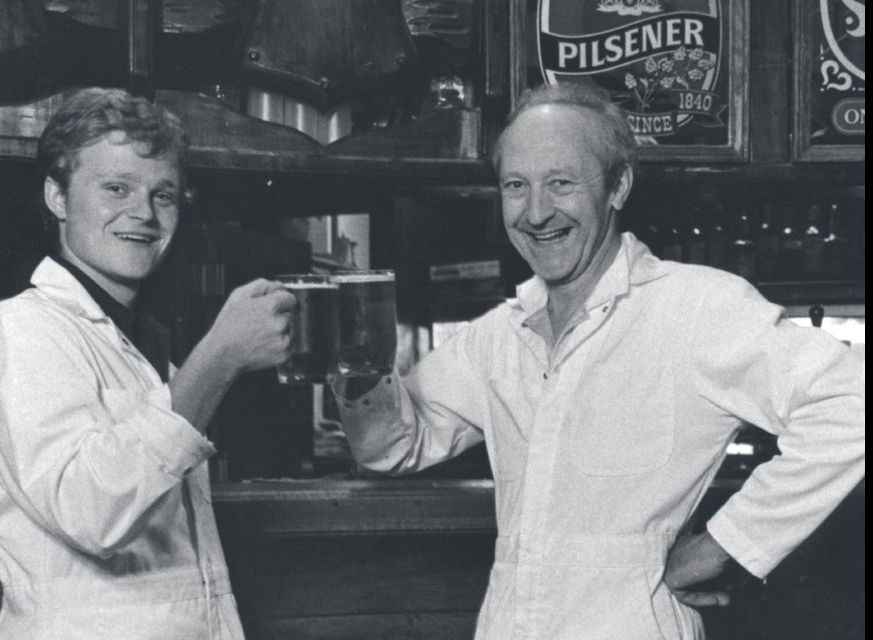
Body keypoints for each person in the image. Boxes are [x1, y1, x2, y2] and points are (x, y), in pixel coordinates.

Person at [332, 82, 865, 639]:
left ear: (618, 186)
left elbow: (853, 403)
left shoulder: (696, 308)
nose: (537, 213)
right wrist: (352, 359)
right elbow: (391, 446)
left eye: (561, 183)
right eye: (516, 186)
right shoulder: (497, 335)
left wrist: (727, 544)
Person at [0, 87, 296, 639]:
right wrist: (219, 357)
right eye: (116, 188)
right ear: (57, 198)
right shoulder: (15, 333)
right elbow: (93, 512)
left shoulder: (139, 348)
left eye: (164, 195)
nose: (143, 214)